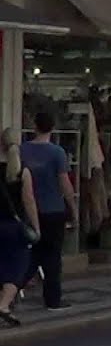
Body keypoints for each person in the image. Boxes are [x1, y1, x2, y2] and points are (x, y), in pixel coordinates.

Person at [21, 108, 76, 311]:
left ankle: (10, 290)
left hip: (29, 211)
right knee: (52, 257)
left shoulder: (22, 150)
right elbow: (65, 184)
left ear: (34, 126)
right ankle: (53, 299)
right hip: (53, 210)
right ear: (53, 128)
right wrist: (73, 207)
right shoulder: (57, 153)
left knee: (33, 254)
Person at [0, 128, 40, 326]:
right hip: (15, 229)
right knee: (17, 269)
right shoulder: (22, 171)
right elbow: (29, 201)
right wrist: (36, 227)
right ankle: (4, 305)